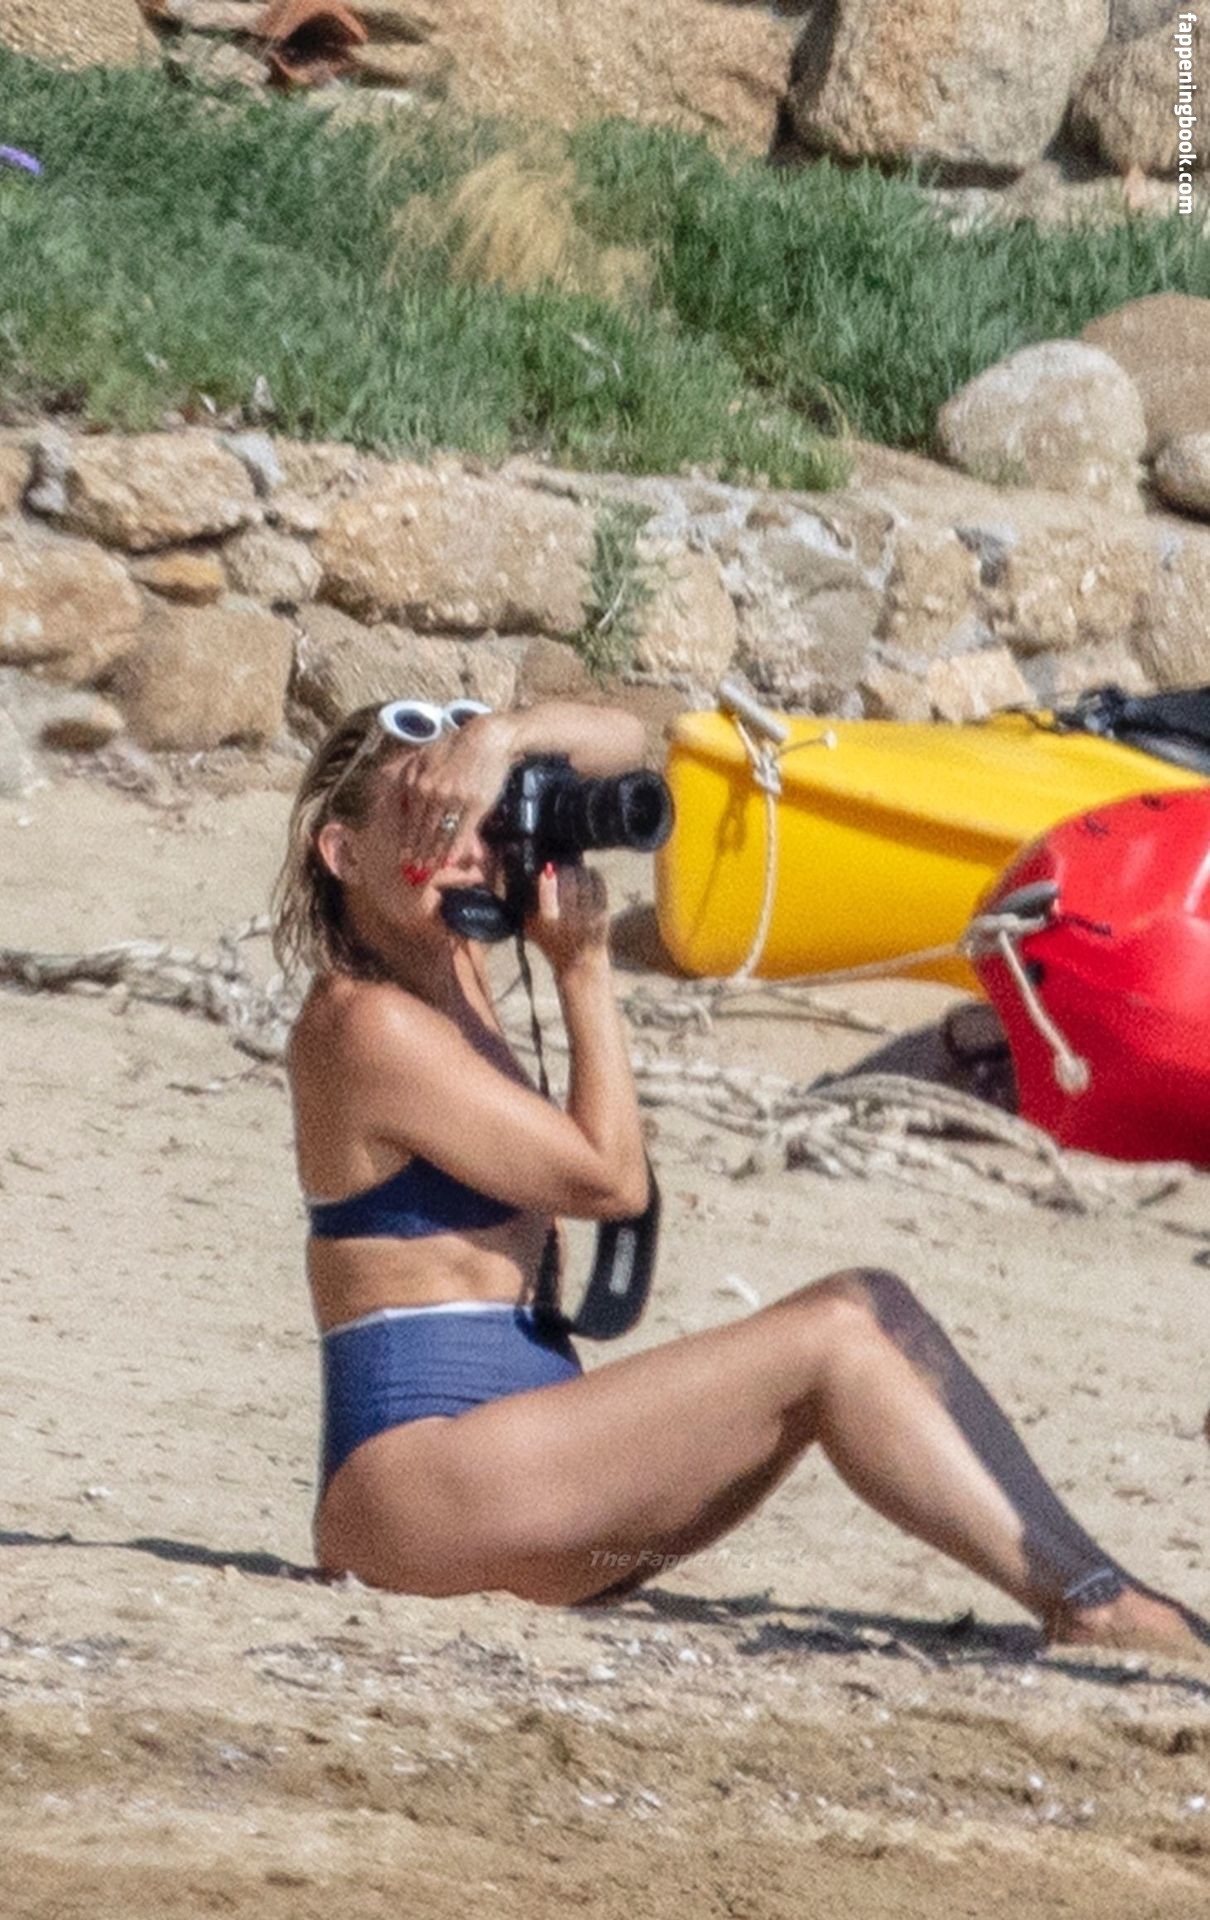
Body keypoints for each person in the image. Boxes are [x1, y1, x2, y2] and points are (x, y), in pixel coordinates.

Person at [271, 695, 1206, 1653]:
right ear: (342, 853)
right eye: (425, 824)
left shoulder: (453, 971)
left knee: (872, 1310)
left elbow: (624, 740)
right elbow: (609, 1181)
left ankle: (1100, 1593)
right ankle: (1095, 1606)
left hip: (529, 1485)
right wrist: (584, 973)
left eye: (474, 820)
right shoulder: (362, 1023)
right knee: (837, 1331)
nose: (466, 850)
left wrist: (497, 744)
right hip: (417, 1495)